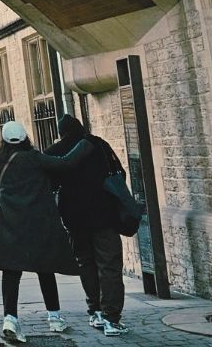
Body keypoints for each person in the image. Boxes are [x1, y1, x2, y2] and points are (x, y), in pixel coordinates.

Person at [0, 119, 95, 343]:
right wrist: (85, 143)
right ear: (25, 138)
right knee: (45, 269)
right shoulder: (35, 158)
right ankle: (54, 317)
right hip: (37, 221)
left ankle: (10, 319)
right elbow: (66, 164)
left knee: (11, 272)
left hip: (9, 222)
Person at [47, 114, 129, 337]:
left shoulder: (54, 151)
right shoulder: (98, 144)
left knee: (86, 263)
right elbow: (119, 172)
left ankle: (95, 311)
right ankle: (111, 318)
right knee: (109, 265)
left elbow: (50, 184)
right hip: (104, 213)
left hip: (74, 217)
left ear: (60, 132)